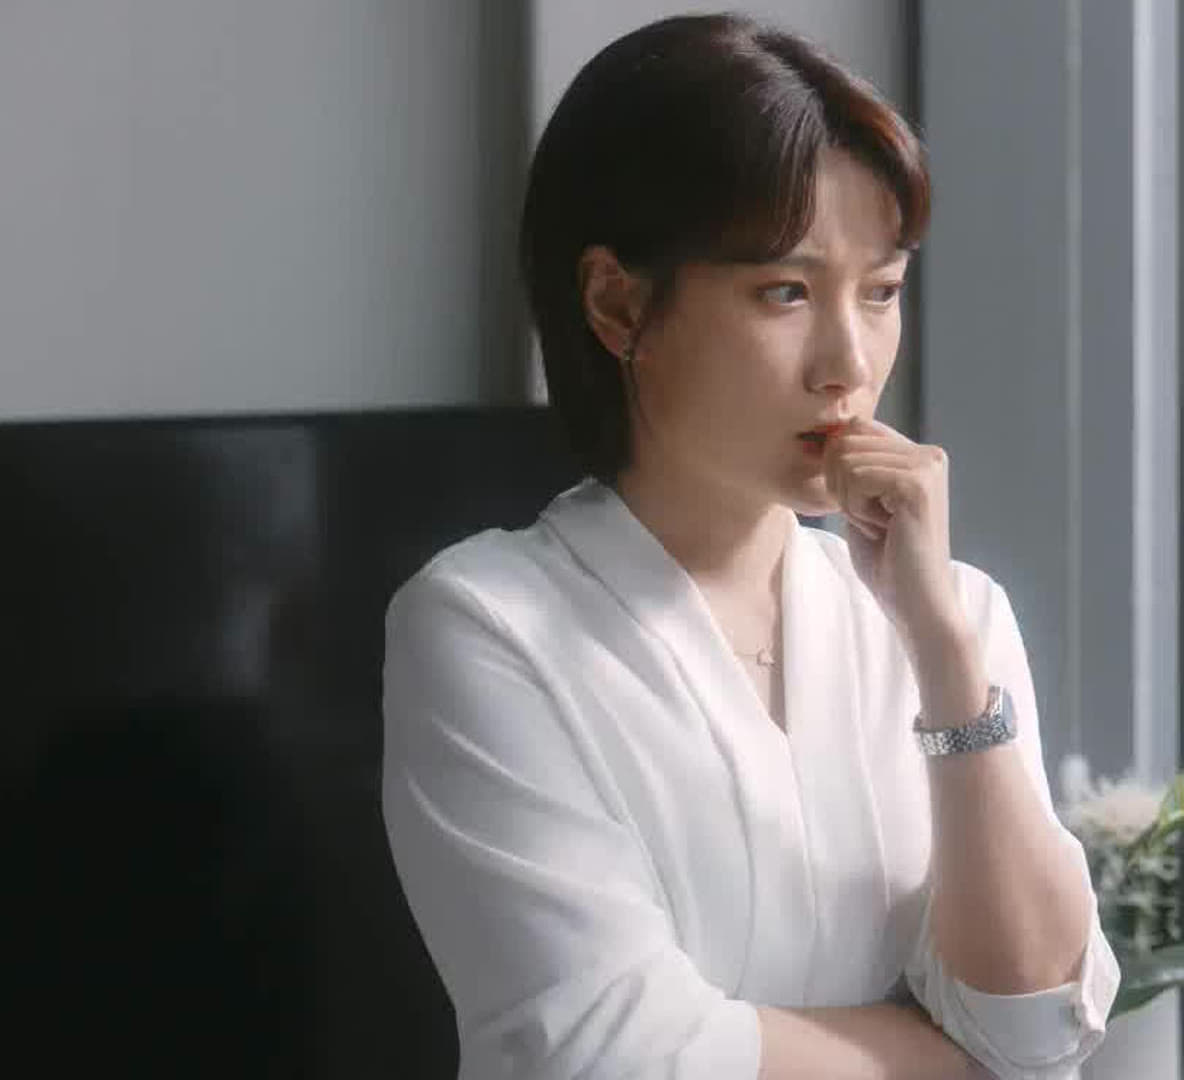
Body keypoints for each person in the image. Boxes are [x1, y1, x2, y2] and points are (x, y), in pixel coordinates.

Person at [380, 14, 1118, 1079]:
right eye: (786, 292)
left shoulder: (951, 617)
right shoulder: (487, 625)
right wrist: (964, 1066)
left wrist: (948, 662)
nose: (848, 363)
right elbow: (612, 1053)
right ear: (617, 303)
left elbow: (1043, 1026)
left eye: (882, 291)